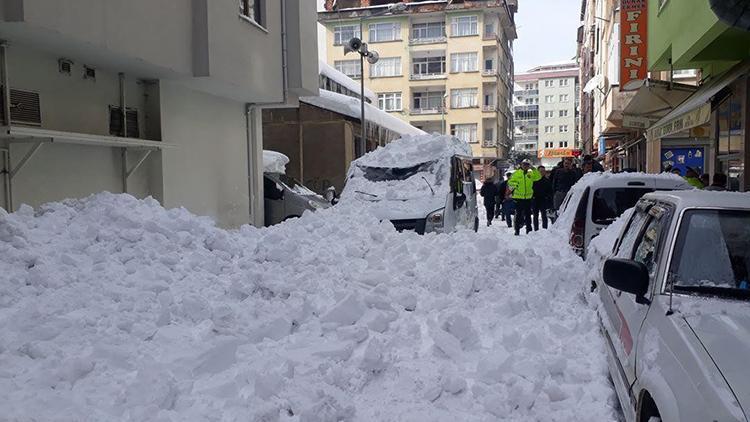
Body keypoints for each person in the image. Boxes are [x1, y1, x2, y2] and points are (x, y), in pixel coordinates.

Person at [508, 159, 541, 236]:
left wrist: (534, 169)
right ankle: (517, 230)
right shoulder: (516, 173)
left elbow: (538, 177)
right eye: (524, 164)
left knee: (528, 215)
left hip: (528, 198)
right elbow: (510, 183)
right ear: (521, 165)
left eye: (527, 165)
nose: (525, 166)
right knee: (518, 215)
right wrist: (516, 185)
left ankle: (529, 230)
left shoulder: (531, 173)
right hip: (518, 198)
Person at [532, 166, 553, 231]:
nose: (542, 172)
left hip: (544, 200)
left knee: (544, 215)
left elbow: (550, 191)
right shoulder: (533, 180)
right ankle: (536, 229)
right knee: (535, 215)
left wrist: (548, 198)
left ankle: (545, 229)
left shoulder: (547, 181)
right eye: (541, 171)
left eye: (543, 171)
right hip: (535, 199)